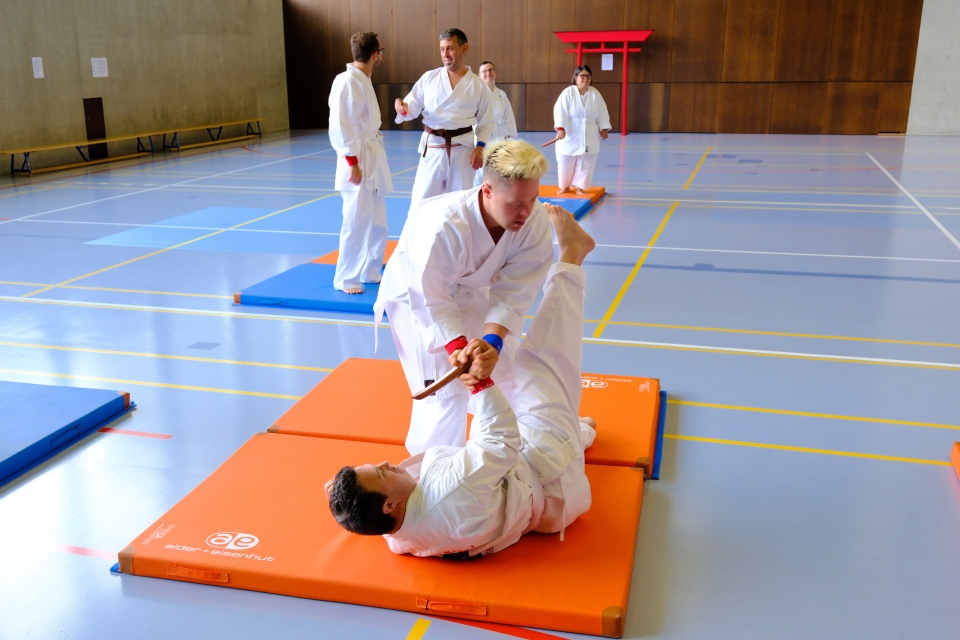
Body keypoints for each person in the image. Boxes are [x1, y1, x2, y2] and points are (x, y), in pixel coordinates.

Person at [326, 204, 599, 558]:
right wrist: (477, 383)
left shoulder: (395, 532)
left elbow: (363, 506)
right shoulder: (452, 487)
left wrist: (342, 497)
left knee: (525, 407)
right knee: (537, 363)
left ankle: (580, 430)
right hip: (550, 475)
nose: (384, 464)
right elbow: (501, 437)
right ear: (388, 505)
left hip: (525, 497)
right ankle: (573, 255)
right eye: (380, 474)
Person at [373, 139, 554, 455]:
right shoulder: (444, 224)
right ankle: (431, 469)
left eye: (533, 199)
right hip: (414, 298)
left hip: (467, 289)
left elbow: (514, 291)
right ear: (487, 190)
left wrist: (492, 343)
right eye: (516, 203)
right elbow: (430, 295)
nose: (526, 212)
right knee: (446, 391)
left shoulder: (534, 220)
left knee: (511, 372)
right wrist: (456, 347)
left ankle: (523, 450)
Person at [394, 28, 495, 214]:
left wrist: (481, 146)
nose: (445, 54)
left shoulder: (477, 85)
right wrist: (403, 108)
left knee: (460, 206)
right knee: (420, 204)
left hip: (462, 152)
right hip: (432, 149)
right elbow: (412, 106)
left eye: (450, 48)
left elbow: (486, 120)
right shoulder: (429, 78)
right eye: (442, 49)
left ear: (464, 48)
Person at [327, 32, 392, 294]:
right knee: (355, 221)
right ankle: (346, 279)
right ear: (376, 55)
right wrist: (352, 160)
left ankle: (370, 270)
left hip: (371, 154)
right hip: (357, 158)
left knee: (377, 221)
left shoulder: (363, 79)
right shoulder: (346, 81)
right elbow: (339, 125)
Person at [553, 64, 611, 195]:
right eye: (582, 76)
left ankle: (580, 186)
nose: (586, 79)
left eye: (588, 76)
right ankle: (565, 186)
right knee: (565, 160)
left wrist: (604, 128)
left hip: (589, 133)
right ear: (576, 77)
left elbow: (602, 112)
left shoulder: (595, 94)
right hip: (570, 133)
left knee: (586, 161)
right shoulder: (568, 93)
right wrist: (560, 128)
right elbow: (560, 110)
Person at [472, 61, 518, 187]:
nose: (488, 73)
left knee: (498, 172)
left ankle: (495, 196)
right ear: (479, 75)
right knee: (479, 174)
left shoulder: (501, 95)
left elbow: (509, 117)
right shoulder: (476, 94)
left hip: (499, 140)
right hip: (481, 141)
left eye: (491, 70)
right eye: (484, 71)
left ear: (495, 72)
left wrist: (509, 139)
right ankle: (478, 194)